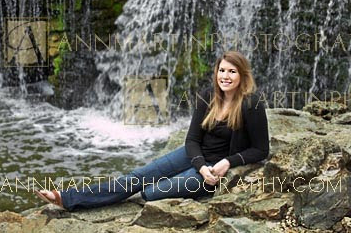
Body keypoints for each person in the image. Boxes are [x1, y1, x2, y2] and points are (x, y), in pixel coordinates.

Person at [35, 50, 270, 211]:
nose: (225, 77)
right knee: (135, 178)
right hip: (195, 158)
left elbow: (261, 149)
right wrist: (198, 163)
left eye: (232, 72)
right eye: (222, 71)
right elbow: (192, 140)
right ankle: (67, 198)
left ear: (242, 75)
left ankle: (188, 188)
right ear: (216, 73)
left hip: (215, 170)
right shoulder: (208, 96)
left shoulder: (252, 104)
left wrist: (227, 162)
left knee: (150, 193)